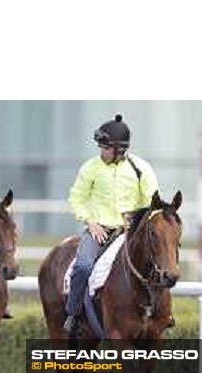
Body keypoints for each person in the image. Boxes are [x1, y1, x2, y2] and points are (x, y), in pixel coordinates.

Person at [64, 114, 159, 333]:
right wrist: (91, 222)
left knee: (157, 265)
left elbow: (151, 200)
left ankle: (163, 314)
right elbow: (76, 198)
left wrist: (134, 218)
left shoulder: (141, 169)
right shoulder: (90, 167)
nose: (101, 152)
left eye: (105, 148)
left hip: (130, 232)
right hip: (100, 231)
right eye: (101, 147)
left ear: (119, 149)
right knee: (83, 266)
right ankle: (73, 314)